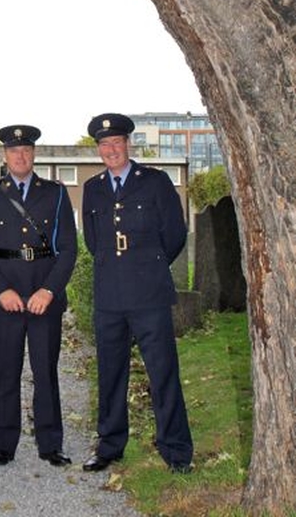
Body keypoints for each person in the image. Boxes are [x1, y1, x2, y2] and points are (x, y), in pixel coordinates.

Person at [82, 113, 193, 474]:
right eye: (104, 144)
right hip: (110, 296)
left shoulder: (156, 182)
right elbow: (94, 241)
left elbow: (175, 234)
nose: (111, 150)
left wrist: (149, 266)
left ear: (129, 144)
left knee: (163, 373)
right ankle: (110, 446)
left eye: (117, 143)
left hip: (149, 295)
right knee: (111, 374)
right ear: (98, 149)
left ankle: (175, 449)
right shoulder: (93, 187)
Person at [0, 125, 78, 468]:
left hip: (43, 295)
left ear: (34, 154)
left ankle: (51, 444)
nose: (21, 156)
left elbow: (67, 249)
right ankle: (2, 444)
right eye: (14, 151)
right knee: (6, 371)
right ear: (5, 155)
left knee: (45, 371)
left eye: (27, 150)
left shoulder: (56, 193)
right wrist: (0, 291)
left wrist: (49, 290)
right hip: (7, 297)